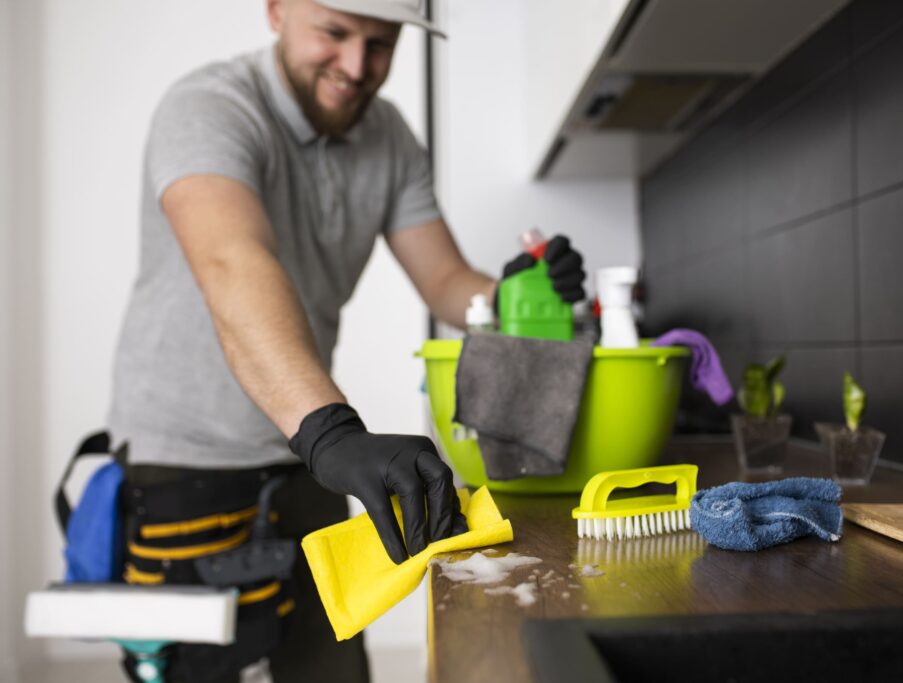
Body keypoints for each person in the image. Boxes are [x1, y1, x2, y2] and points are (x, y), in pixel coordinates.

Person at [104, 0, 586, 681]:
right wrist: (330, 431)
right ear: (276, 10)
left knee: (331, 669)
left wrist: (510, 295)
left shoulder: (387, 136)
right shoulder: (209, 108)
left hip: (302, 450)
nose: (357, 67)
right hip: (188, 459)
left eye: (381, 44)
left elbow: (445, 278)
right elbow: (232, 261)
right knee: (195, 671)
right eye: (333, 32)